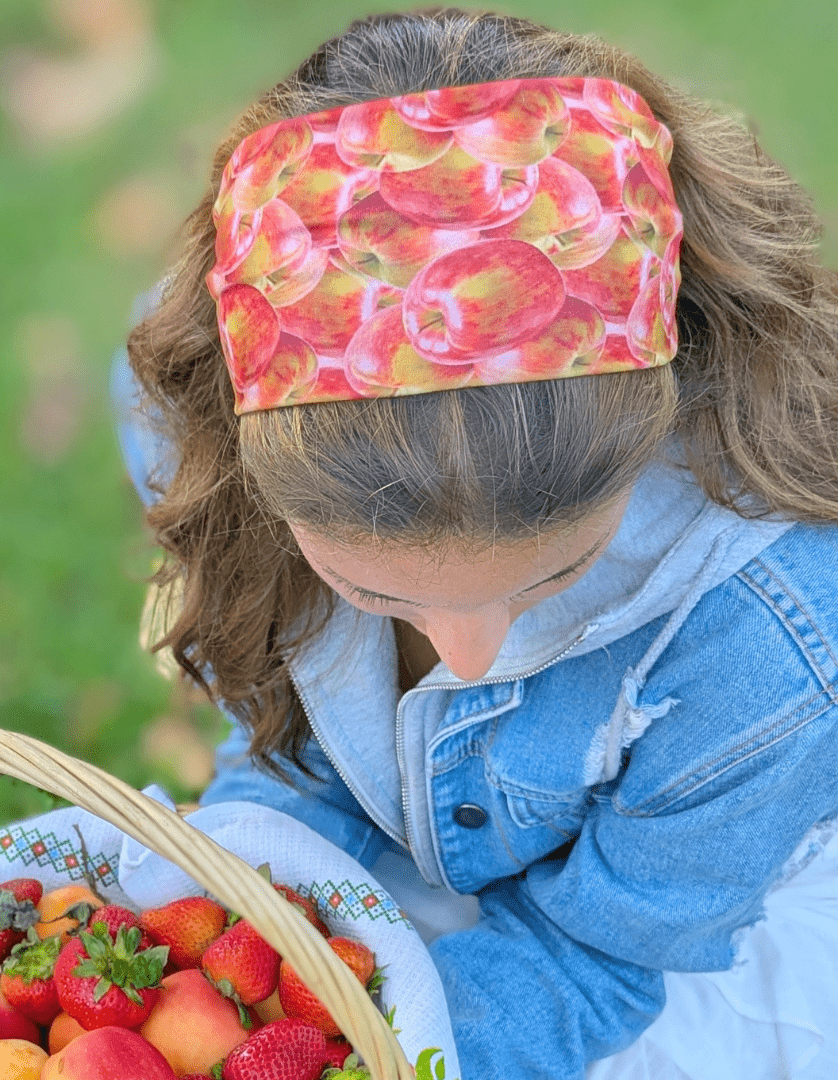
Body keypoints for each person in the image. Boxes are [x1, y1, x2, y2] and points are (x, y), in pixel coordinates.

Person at [114, 10, 838, 1079]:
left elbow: (599, 953)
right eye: (375, 594)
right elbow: (300, 762)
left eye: (559, 573)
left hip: (693, 913)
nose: (469, 655)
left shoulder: (772, 632)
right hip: (451, 837)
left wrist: (361, 1061)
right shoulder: (197, 436)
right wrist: (231, 929)